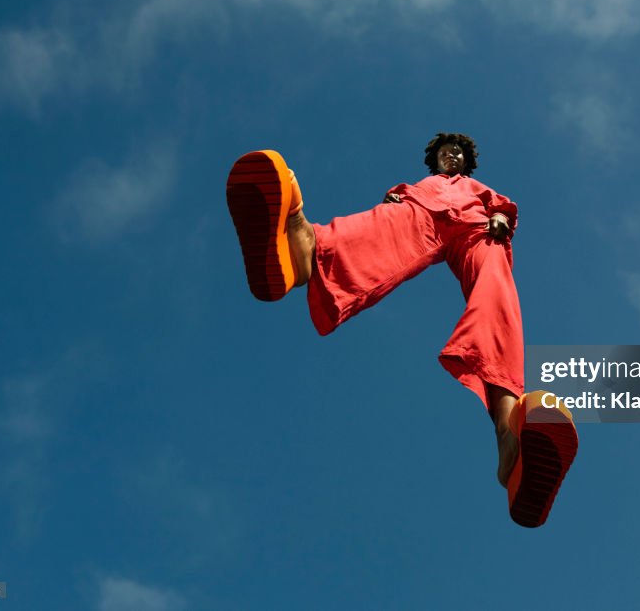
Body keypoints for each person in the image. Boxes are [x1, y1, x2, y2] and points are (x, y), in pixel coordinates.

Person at [226, 133, 577, 527]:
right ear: (435, 159)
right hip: (422, 211)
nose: (453, 155)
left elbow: (503, 209)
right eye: (446, 151)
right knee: (384, 227)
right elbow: (391, 211)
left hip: (477, 229)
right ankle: (303, 247)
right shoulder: (414, 187)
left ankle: (510, 436)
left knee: (497, 294)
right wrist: (396, 199)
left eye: (459, 152)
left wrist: (498, 216)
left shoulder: (481, 190)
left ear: (466, 162)